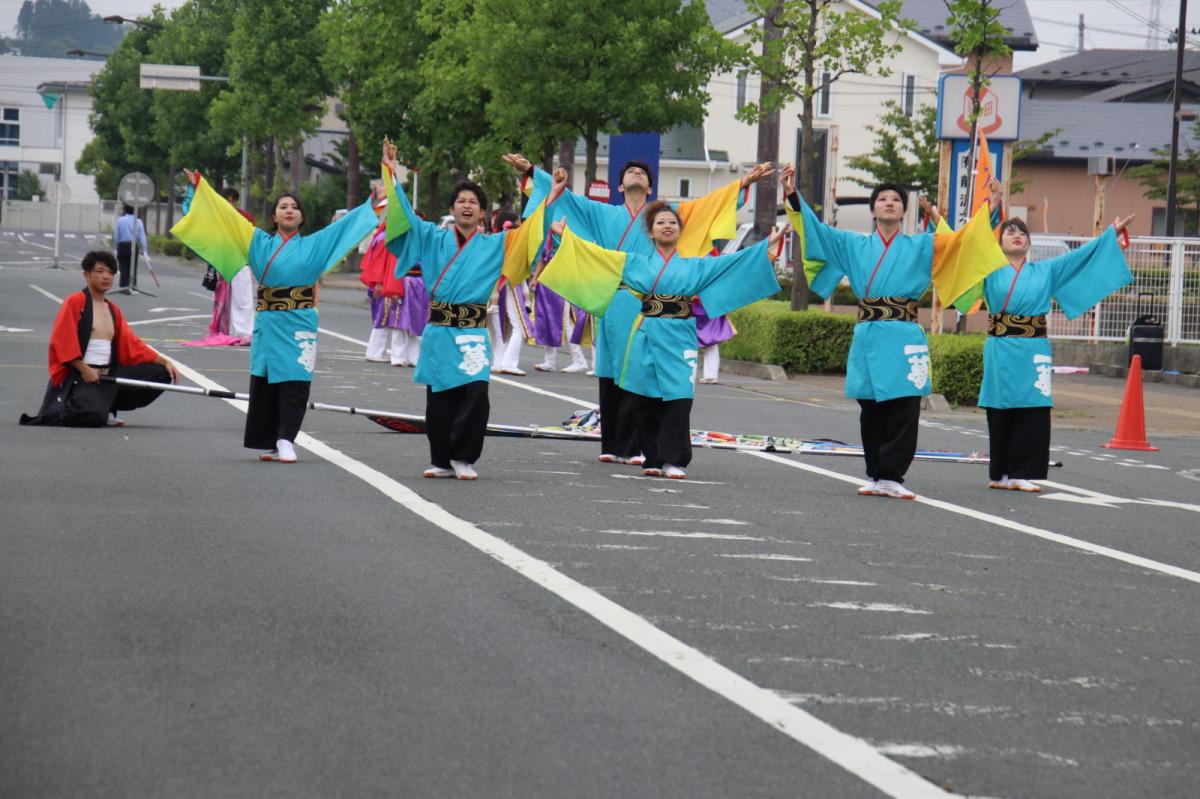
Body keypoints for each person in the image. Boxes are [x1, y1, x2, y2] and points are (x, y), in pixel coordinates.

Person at [503, 153, 774, 465]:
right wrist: (533, 171)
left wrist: (743, 182)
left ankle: (639, 447)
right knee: (610, 369)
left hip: (651, 305)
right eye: (630, 171)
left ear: (649, 187)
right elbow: (566, 197)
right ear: (620, 186)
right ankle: (613, 443)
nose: (636, 173)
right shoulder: (602, 213)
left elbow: (707, 206)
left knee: (645, 374)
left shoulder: (665, 216)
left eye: (641, 172)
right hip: (615, 297)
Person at [782, 163, 1007, 499]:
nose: (889, 203)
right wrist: (792, 195)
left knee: (904, 407)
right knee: (870, 408)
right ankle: (875, 474)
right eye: (882, 199)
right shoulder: (852, 244)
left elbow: (965, 241)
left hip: (904, 336)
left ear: (903, 212)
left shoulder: (923, 245)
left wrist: (991, 205)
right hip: (868, 334)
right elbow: (816, 232)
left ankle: (892, 476)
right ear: (873, 210)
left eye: (896, 200)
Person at [542, 202, 785, 479]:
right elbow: (596, 256)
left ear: (680, 231)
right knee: (644, 398)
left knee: (680, 397)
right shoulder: (634, 262)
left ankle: (673, 460)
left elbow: (731, 264)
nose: (667, 226)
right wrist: (566, 237)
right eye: (660, 223)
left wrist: (765, 248)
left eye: (672, 222)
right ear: (651, 233)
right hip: (644, 334)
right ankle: (653, 459)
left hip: (680, 337)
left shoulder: (696, 266)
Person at [171, 169, 380, 463]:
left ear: (302, 217)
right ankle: (270, 440)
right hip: (268, 323)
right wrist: (199, 189)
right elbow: (225, 216)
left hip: (300, 322)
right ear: (274, 216)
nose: (289, 210)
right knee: (267, 382)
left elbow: (345, 227)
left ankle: (286, 439)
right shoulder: (256, 240)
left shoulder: (316, 243)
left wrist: (371, 203)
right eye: (283, 206)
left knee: (296, 381)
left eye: (294, 207)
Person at [383, 144, 543, 480]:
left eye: (473, 202)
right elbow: (405, 218)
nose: (467, 206)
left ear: (483, 212)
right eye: (461, 201)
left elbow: (532, 228)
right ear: (451, 209)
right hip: (440, 330)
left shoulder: (497, 243)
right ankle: (442, 460)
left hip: (472, 331)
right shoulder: (432, 237)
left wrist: (532, 177)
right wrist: (392, 174)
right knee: (441, 396)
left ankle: (464, 457)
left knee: (476, 392)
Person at [970, 214, 1134, 492]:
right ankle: (1000, 473)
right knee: (999, 408)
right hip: (1000, 347)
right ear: (999, 243)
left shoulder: (1046, 270)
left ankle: (1021, 473)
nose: (1017, 235)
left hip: (1034, 349)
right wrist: (948, 217)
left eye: (1022, 232)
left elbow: (1080, 257)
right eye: (1010, 232)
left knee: (1033, 408)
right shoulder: (989, 271)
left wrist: (1111, 233)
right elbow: (969, 248)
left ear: (1029, 242)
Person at [20, 251, 179, 427]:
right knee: (91, 417)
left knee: (161, 373)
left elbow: (132, 345)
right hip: (80, 376)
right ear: (86, 275)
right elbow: (63, 342)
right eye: (100, 271)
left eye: (111, 272)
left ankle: (108, 405)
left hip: (108, 375)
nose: (106, 276)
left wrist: (164, 361)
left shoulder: (113, 309)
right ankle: (81, 406)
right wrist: (85, 369)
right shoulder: (75, 302)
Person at [114, 204, 148, 289]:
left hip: (122, 245)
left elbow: (116, 236)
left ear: (125, 210)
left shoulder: (120, 220)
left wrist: (116, 248)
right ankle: (132, 285)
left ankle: (124, 285)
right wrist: (145, 251)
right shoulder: (138, 221)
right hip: (133, 245)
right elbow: (142, 238)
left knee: (123, 266)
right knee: (133, 266)